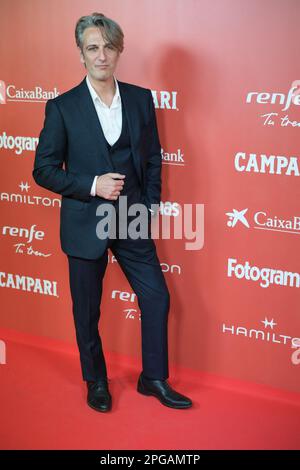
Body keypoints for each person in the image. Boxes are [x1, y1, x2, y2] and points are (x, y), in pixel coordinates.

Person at [33, 12, 192, 412]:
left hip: (132, 218)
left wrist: (149, 206)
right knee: (87, 311)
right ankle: (96, 380)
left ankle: (152, 377)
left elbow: (153, 159)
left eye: (107, 46)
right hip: (86, 220)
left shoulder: (141, 99)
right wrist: (91, 185)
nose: (101, 55)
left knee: (156, 298)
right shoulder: (62, 108)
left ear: (118, 50)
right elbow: (43, 170)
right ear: (81, 54)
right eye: (92, 48)